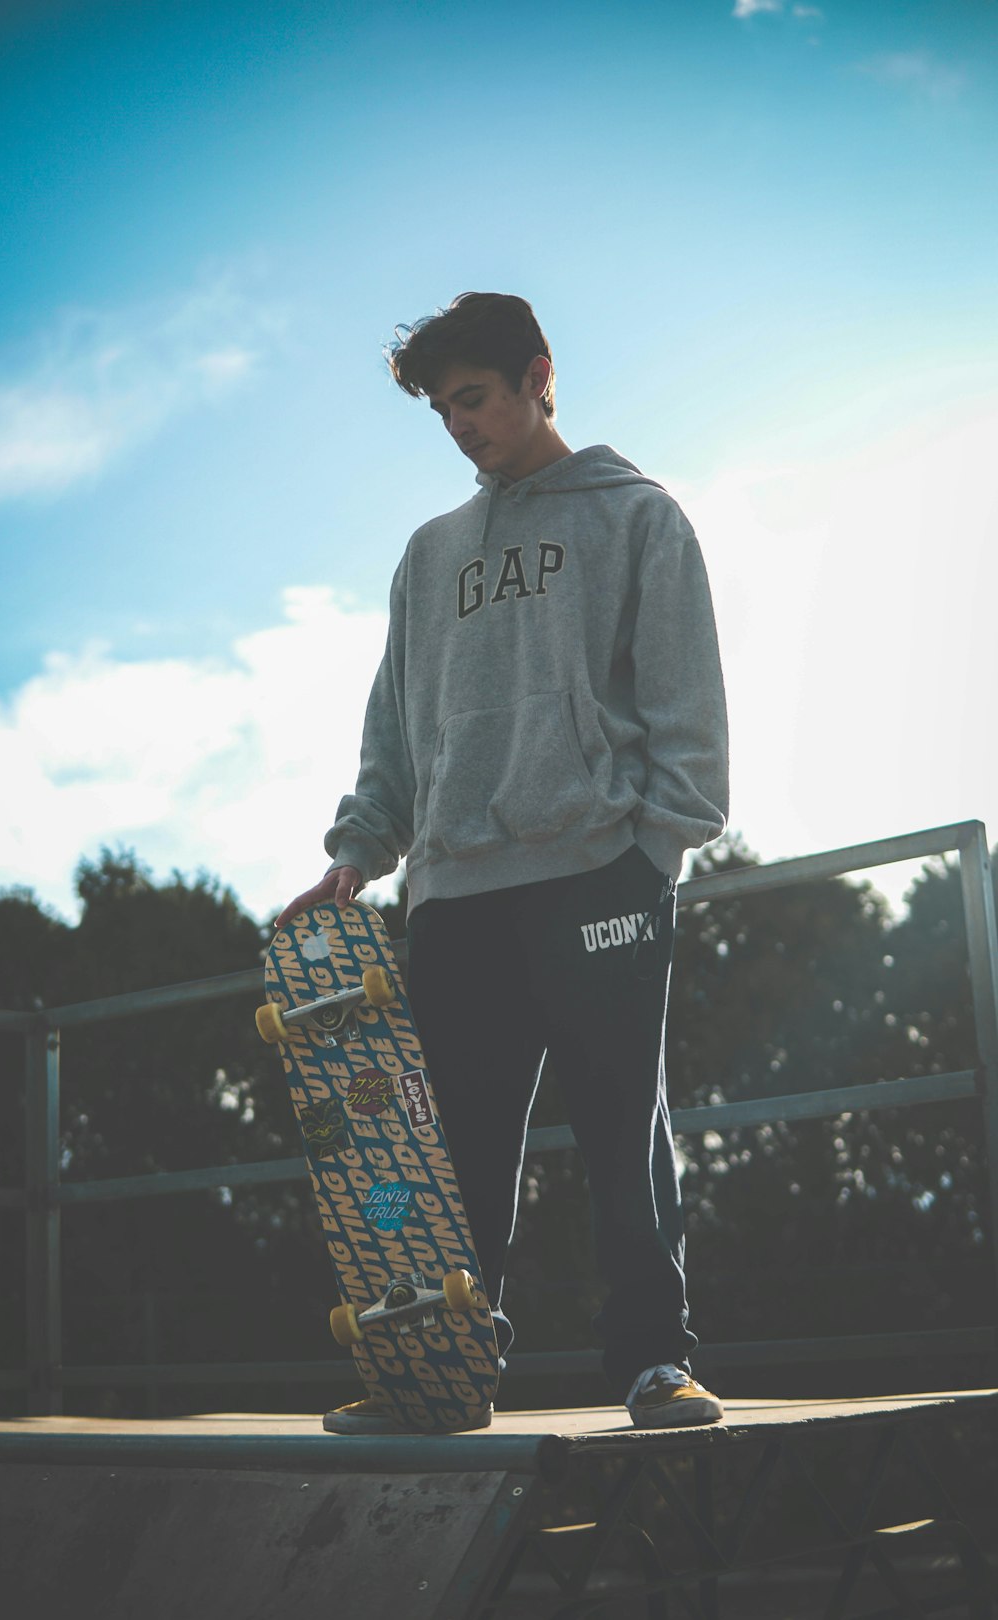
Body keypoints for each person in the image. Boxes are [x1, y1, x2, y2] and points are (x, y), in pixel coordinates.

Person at [276, 292, 729, 1435]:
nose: (458, 426)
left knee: (623, 1125)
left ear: (539, 375)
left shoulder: (638, 518)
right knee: (451, 1157)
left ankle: (653, 1366)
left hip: (598, 876)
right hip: (458, 894)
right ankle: (440, 1380)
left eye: (471, 398)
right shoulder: (429, 557)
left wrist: (652, 851)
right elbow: (397, 724)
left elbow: (688, 707)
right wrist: (359, 853)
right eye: (440, 411)